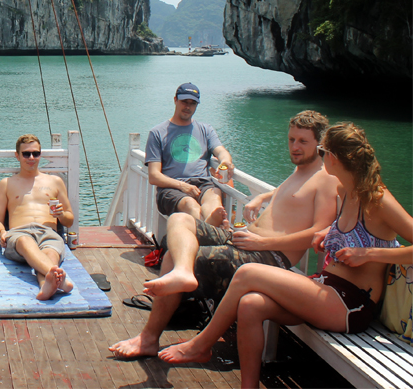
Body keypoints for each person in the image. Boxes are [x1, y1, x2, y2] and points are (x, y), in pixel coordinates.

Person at [158, 122, 413, 388]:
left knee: (247, 273)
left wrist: (368, 254)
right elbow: (347, 227)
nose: (320, 156)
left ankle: (201, 345)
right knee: (250, 304)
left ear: (334, 159)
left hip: (351, 304)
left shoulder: (377, 198)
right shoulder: (343, 191)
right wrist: (329, 233)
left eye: (323, 151)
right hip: (324, 288)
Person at [109, 110, 339, 360]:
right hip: (244, 242)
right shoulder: (300, 171)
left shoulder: (326, 179)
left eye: (303, 141)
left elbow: (319, 234)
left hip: (269, 257)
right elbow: (289, 195)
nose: (294, 147)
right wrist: (262, 196)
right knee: (180, 219)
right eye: (291, 139)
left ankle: (153, 339)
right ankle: (182, 275)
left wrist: (263, 241)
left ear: (320, 144)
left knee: (175, 257)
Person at [0, 134, 76, 300]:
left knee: (50, 254)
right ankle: (61, 279)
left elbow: (69, 219)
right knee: (25, 241)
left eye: (35, 153)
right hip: (19, 234)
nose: (31, 158)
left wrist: (61, 214)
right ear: (17, 155)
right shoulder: (6, 184)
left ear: (40, 155)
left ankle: (46, 285)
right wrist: (2, 233)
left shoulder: (55, 181)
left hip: (49, 234)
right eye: (26, 154)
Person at [146, 82, 234, 226]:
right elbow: (154, 176)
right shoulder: (157, 133)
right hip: (171, 187)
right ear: (175, 100)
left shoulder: (206, 130)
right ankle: (214, 230)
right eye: (184, 102)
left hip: (202, 183)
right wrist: (182, 186)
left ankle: (209, 228)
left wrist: (225, 161)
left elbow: (221, 151)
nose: (188, 107)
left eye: (192, 103)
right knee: (191, 205)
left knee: (215, 200)